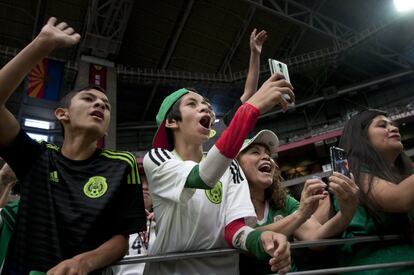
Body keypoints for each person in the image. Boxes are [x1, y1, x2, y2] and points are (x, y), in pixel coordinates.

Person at [0, 17, 146, 274]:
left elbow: (121, 237)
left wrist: (84, 262)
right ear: (61, 114)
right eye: (88, 99)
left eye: (106, 104)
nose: (100, 104)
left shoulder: (121, 165)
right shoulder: (37, 158)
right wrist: (42, 45)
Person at [143, 67, 295, 274]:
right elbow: (202, 177)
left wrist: (261, 241)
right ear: (171, 122)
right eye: (192, 104)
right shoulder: (158, 158)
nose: (205, 108)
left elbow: (234, 229)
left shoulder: (231, 166)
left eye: (206, 104)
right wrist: (250, 109)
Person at [236, 129, 359, 274]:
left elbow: (315, 238)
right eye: (255, 152)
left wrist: (346, 211)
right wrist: (300, 214)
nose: (266, 157)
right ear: (235, 165)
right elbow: (244, 238)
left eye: (268, 154)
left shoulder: (283, 201)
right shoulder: (229, 205)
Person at [329, 109, 414, 274]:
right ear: (362, 138)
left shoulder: (405, 174)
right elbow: (399, 198)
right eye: (382, 125)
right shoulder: (353, 175)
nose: (394, 128)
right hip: (375, 267)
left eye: (393, 125)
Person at [204, 28, 267, 151]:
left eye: (208, 107)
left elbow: (249, 93)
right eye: (193, 105)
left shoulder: (218, 127)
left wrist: (255, 54)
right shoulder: (172, 154)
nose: (206, 109)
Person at [112, 162, 156, 275]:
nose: (145, 186)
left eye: (149, 182)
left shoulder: (167, 222)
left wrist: (166, 223)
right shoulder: (113, 222)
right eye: (140, 182)